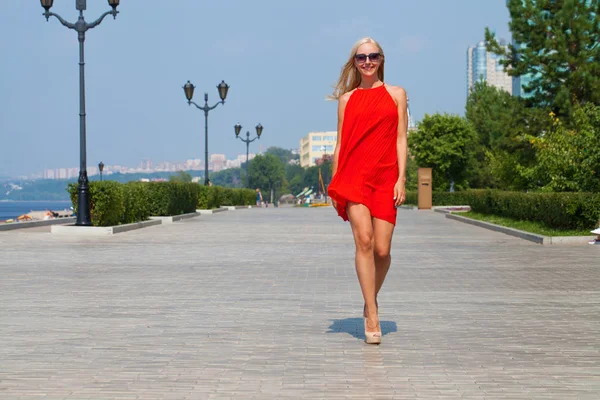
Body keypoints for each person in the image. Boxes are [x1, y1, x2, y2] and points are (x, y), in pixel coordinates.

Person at [327, 37, 408, 344]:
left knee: (383, 250)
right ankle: (372, 314)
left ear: (381, 59)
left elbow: (401, 138)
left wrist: (401, 179)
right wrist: (336, 182)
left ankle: (368, 297)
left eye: (373, 56)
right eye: (361, 58)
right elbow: (340, 143)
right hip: (354, 178)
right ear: (355, 63)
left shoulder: (397, 94)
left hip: (386, 177)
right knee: (364, 240)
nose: (368, 62)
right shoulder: (347, 100)